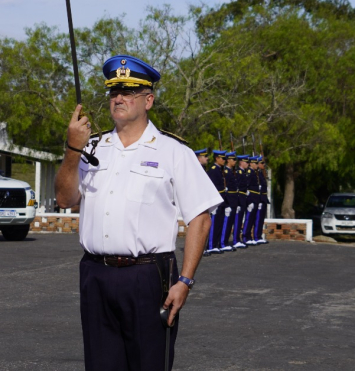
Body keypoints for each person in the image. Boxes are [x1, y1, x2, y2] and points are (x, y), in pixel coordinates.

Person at [54, 54, 221, 371]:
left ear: (148, 100)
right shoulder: (91, 148)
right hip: (96, 273)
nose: (118, 98)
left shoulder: (173, 152)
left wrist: (185, 281)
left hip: (147, 276)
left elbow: (200, 218)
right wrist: (73, 148)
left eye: (128, 92)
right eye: (114, 92)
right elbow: (64, 198)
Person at [207, 149, 228, 255]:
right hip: (216, 201)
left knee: (219, 223)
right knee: (214, 224)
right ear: (217, 158)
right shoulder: (213, 170)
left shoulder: (220, 170)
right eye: (222, 158)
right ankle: (211, 245)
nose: (224, 160)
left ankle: (216, 244)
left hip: (221, 200)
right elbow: (211, 187)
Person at [220, 152, 240, 252]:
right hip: (229, 199)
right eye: (233, 160)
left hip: (233, 199)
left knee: (230, 222)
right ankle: (223, 242)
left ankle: (225, 241)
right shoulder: (226, 172)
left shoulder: (231, 171)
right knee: (226, 222)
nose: (235, 162)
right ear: (228, 160)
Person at [242, 156, 259, 246]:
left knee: (252, 219)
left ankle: (249, 236)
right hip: (251, 198)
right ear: (251, 164)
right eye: (255, 163)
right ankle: (245, 236)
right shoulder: (249, 172)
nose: (257, 165)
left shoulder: (253, 172)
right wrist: (249, 200)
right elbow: (247, 186)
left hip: (255, 198)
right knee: (248, 219)